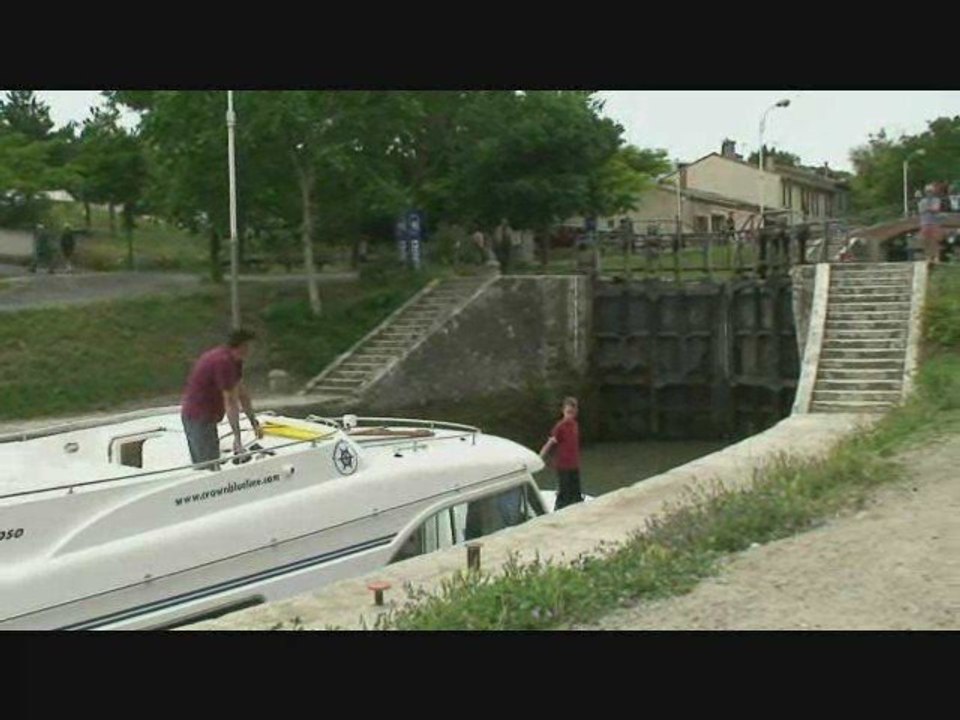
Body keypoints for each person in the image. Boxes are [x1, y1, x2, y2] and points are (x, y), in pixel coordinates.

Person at [180, 328, 263, 469]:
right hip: (198, 416)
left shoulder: (235, 361)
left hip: (208, 416)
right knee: (208, 466)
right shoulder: (223, 362)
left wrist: (254, 423)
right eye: (251, 347)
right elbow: (231, 402)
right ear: (244, 346)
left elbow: (242, 395)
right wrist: (237, 439)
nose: (253, 351)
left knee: (211, 460)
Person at [538, 397, 584, 511]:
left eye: (572, 413)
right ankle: (558, 510)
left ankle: (577, 507)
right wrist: (539, 457)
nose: (569, 415)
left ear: (576, 413)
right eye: (568, 412)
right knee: (564, 492)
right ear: (563, 411)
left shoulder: (575, 425)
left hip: (574, 464)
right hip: (563, 465)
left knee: (575, 491)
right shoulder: (560, 427)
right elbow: (550, 443)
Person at [918, 184, 943, 264]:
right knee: (925, 241)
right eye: (928, 191)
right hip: (924, 223)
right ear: (925, 192)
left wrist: (928, 209)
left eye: (931, 191)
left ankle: (936, 257)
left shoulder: (936, 200)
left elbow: (936, 209)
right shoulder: (922, 201)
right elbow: (921, 211)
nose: (929, 193)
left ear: (933, 192)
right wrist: (930, 209)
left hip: (934, 222)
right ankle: (928, 257)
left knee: (935, 240)